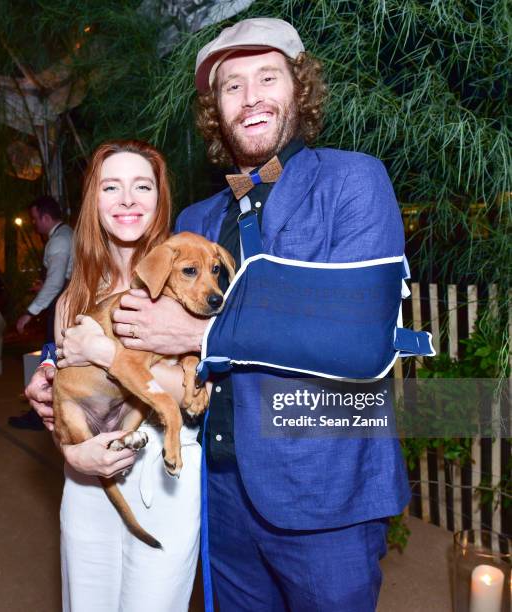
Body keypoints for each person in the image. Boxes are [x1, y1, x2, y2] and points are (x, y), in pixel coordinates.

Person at [106, 17, 411, 611]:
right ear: (216, 110)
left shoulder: (352, 181)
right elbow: (128, 305)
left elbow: (361, 340)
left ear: (299, 88)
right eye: (232, 86)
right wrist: (60, 358)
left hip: (326, 494)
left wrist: (203, 332)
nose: (251, 98)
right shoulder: (195, 219)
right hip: (217, 492)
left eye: (267, 77)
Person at [26, 140, 201, 612]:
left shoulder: (186, 283)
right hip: (85, 479)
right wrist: (71, 450)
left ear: (160, 199)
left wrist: (102, 353)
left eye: (142, 185)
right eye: (111, 187)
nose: (127, 199)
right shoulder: (73, 295)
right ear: (94, 201)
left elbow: (193, 393)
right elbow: (66, 398)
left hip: (166, 476)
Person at [10, 195, 73, 430]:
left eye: (35, 219)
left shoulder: (58, 241)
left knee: (50, 355)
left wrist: (29, 312)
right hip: (66, 302)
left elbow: (56, 283)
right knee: (57, 356)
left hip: (62, 306)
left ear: (46, 217)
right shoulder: (67, 234)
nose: (33, 224)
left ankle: (42, 413)